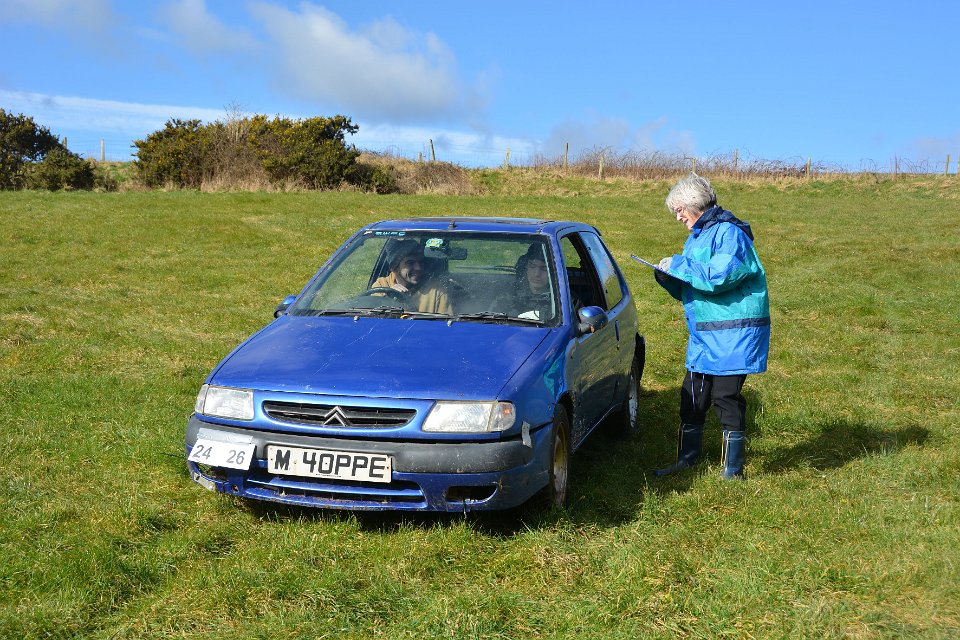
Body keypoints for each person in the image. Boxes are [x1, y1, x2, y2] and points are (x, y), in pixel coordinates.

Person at [652, 174, 770, 480]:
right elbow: (694, 286)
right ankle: (686, 461)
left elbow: (719, 277)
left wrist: (677, 265)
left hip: (733, 334)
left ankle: (733, 471)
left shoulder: (729, 233)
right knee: (692, 397)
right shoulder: (698, 235)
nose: (677, 216)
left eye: (679, 209)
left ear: (695, 203)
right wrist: (668, 278)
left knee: (725, 398)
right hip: (706, 334)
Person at [371, 238, 453, 314]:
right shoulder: (381, 286)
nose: (419, 268)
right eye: (410, 263)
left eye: (421, 262)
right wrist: (389, 300)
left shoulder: (437, 290)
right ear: (394, 267)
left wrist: (409, 306)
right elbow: (370, 320)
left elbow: (445, 326)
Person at [495, 244, 555, 320]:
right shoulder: (508, 294)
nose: (537, 274)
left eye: (544, 269)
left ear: (553, 271)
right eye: (532, 266)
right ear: (525, 267)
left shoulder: (560, 301)